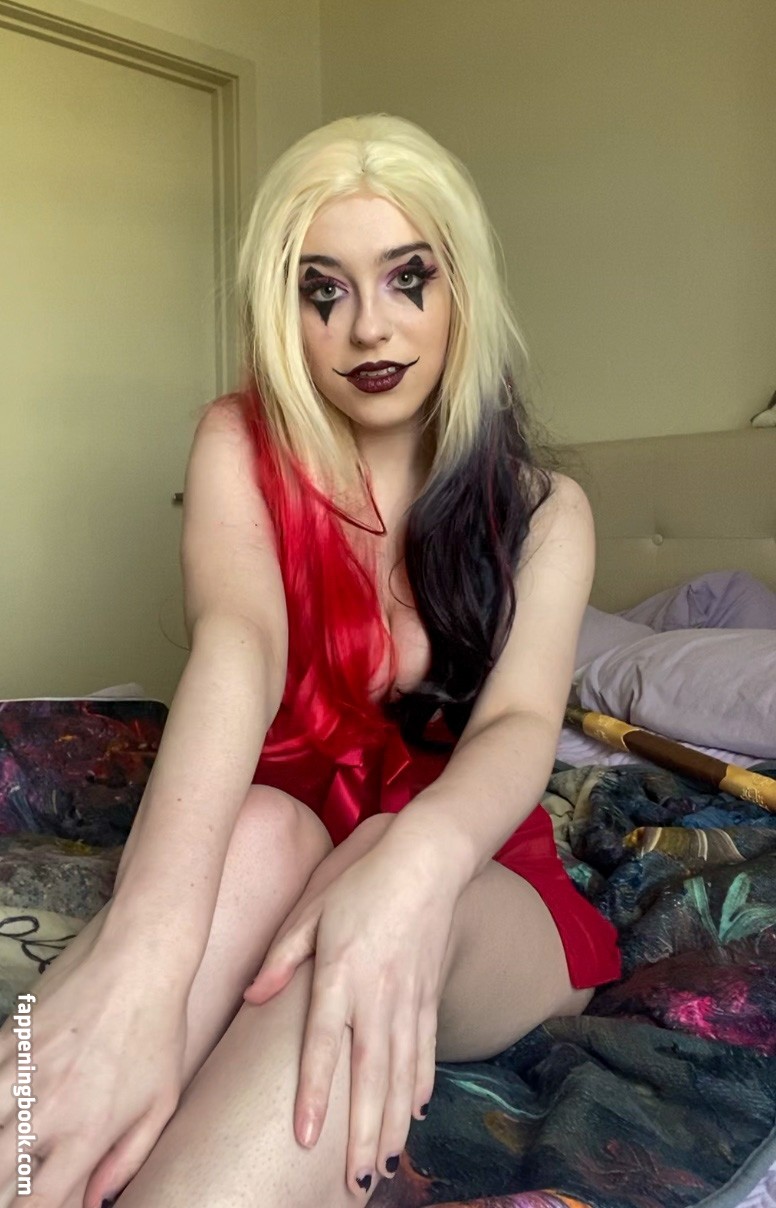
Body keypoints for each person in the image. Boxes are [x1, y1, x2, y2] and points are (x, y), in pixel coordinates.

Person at [0, 114, 620, 1207]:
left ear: (462, 286)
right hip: (282, 837)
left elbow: (521, 727)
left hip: (477, 879)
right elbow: (236, 645)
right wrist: (144, 949)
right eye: (320, 289)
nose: (367, 326)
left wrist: (412, 859)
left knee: (383, 869)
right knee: (251, 833)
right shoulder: (238, 443)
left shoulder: (544, 511)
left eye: (407, 278)